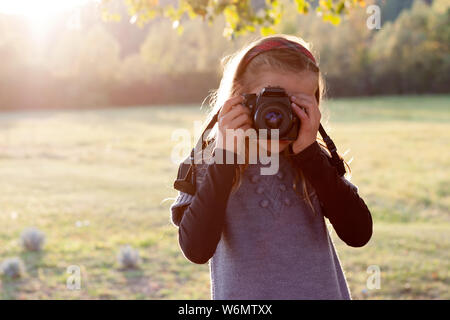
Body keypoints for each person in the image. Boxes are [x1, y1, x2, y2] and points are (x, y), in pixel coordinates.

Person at [170, 34, 373, 299]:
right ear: (238, 99)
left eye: (297, 105)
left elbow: (358, 233)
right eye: (272, 101)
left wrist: (310, 155)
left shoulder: (313, 160)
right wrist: (226, 159)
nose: (279, 118)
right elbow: (196, 249)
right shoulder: (211, 161)